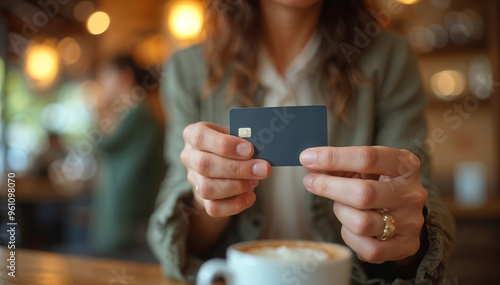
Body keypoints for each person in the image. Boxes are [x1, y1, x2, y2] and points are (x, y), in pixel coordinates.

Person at [148, 0, 455, 283]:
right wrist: (208, 198)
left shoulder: (389, 58)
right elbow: (172, 236)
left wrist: (400, 233)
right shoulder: (188, 69)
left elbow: (418, 204)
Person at [90, 55, 166, 259]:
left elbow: (102, 143)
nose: (101, 83)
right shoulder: (132, 114)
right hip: (128, 229)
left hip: (128, 232)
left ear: (125, 77)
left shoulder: (138, 117)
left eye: (105, 76)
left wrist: (99, 110)